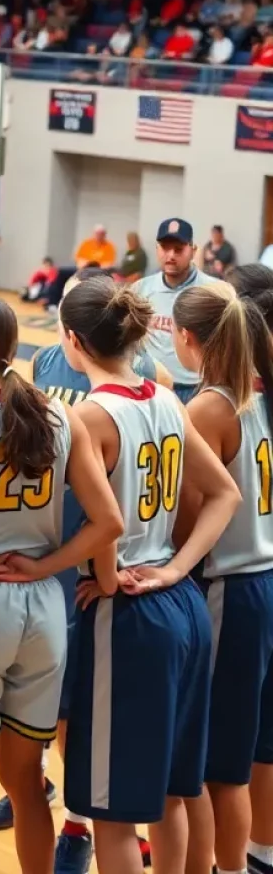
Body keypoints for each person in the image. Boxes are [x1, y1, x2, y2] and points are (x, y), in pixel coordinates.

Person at [0, 295, 122, 874]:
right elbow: (109, 521)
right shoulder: (63, 415)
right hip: (42, 609)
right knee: (26, 782)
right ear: (17, 348)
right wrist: (45, 566)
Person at [57, 277, 240, 874]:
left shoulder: (89, 414)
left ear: (73, 341)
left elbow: (105, 522)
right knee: (169, 794)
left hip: (130, 614)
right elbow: (224, 494)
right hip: (181, 601)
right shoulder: (167, 398)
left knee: (113, 815)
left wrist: (107, 581)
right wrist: (179, 569)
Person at [173, 280, 273, 874]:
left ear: (186, 338)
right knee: (250, 751)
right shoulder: (257, 395)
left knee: (219, 771)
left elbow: (191, 518)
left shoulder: (208, 408)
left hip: (230, 591)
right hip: (262, 581)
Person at [228, 263, 273, 874]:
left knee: (225, 756)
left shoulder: (228, 410)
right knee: (265, 740)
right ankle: (262, 851)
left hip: (241, 581)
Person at [136, 218, 221, 404]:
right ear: (157, 249)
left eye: (178, 249)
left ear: (193, 250)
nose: (171, 255)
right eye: (165, 248)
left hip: (197, 388)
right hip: (153, 386)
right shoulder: (140, 290)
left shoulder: (215, 292)